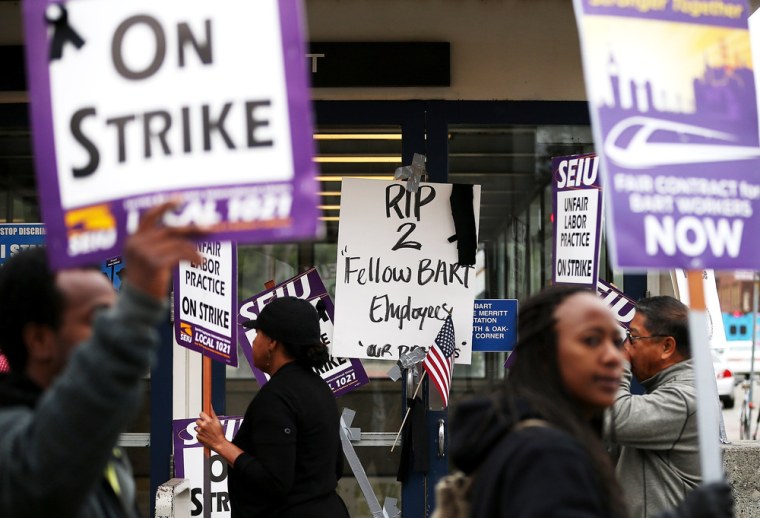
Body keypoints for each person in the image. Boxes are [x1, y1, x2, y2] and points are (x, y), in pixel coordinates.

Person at [449, 284, 732, 518]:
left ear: (667, 346)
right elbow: (618, 417)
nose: (618, 354)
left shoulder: (687, 397)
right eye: (592, 341)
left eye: (621, 339)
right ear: (548, 355)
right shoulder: (544, 451)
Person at [0, 203, 204, 518]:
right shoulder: (17, 447)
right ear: (39, 340)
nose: (112, 330)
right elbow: (40, 474)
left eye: (116, 312)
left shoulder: (90, 441)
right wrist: (136, 311)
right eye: (98, 317)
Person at [195, 296, 349, 518]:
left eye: (257, 334)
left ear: (272, 343)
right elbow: (335, 466)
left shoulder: (277, 397)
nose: (254, 342)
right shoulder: (320, 387)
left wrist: (220, 443)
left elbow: (274, 480)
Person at [609, 295, 712, 517]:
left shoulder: (686, 398)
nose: (626, 347)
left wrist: (617, 366)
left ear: (666, 346)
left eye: (633, 337)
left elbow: (615, 417)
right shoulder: (671, 389)